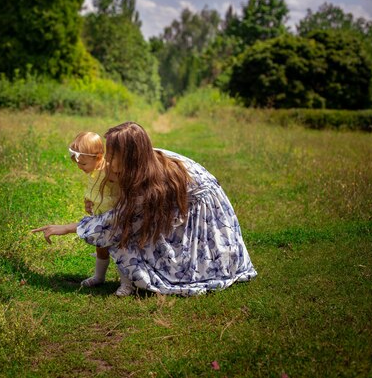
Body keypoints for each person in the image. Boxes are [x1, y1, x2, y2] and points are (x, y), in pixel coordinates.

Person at [32, 122, 257, 297]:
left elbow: (115, 222)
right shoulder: (138, 165)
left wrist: (65, 228)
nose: (107, 161)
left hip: (203, 207)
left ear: (130, 157)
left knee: (133, 239)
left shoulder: (150, 186)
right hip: (188, 199)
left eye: (112, 156)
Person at [67, 131, 122, 291]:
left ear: (98, 157)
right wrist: (89, 200)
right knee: (101, 248)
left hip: (113, 217)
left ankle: (126, 283)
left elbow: (121, 187)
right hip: (99, 214)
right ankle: (99, 276)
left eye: (83, 164)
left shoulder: (110, 170)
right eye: (78, 163)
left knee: (120, 250)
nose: (79, 167)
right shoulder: (94, 169)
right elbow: (96, 188)